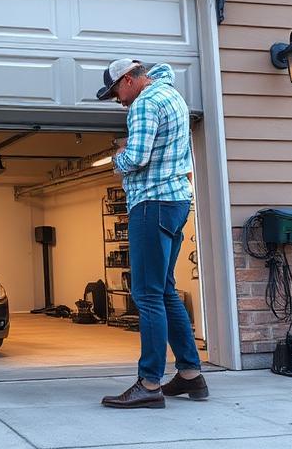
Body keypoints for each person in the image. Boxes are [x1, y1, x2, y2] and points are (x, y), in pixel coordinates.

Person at [96, 58, 208, 409]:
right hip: (175, 204)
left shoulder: (144, 103)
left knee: (146, 294)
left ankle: (149, 383)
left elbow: (137, 158)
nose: (118, 100)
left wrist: (117, 157)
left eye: (116, 91)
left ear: (129, 79)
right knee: (165, 290)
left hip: (151, 203)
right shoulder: (172, 96)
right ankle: (191, 375)